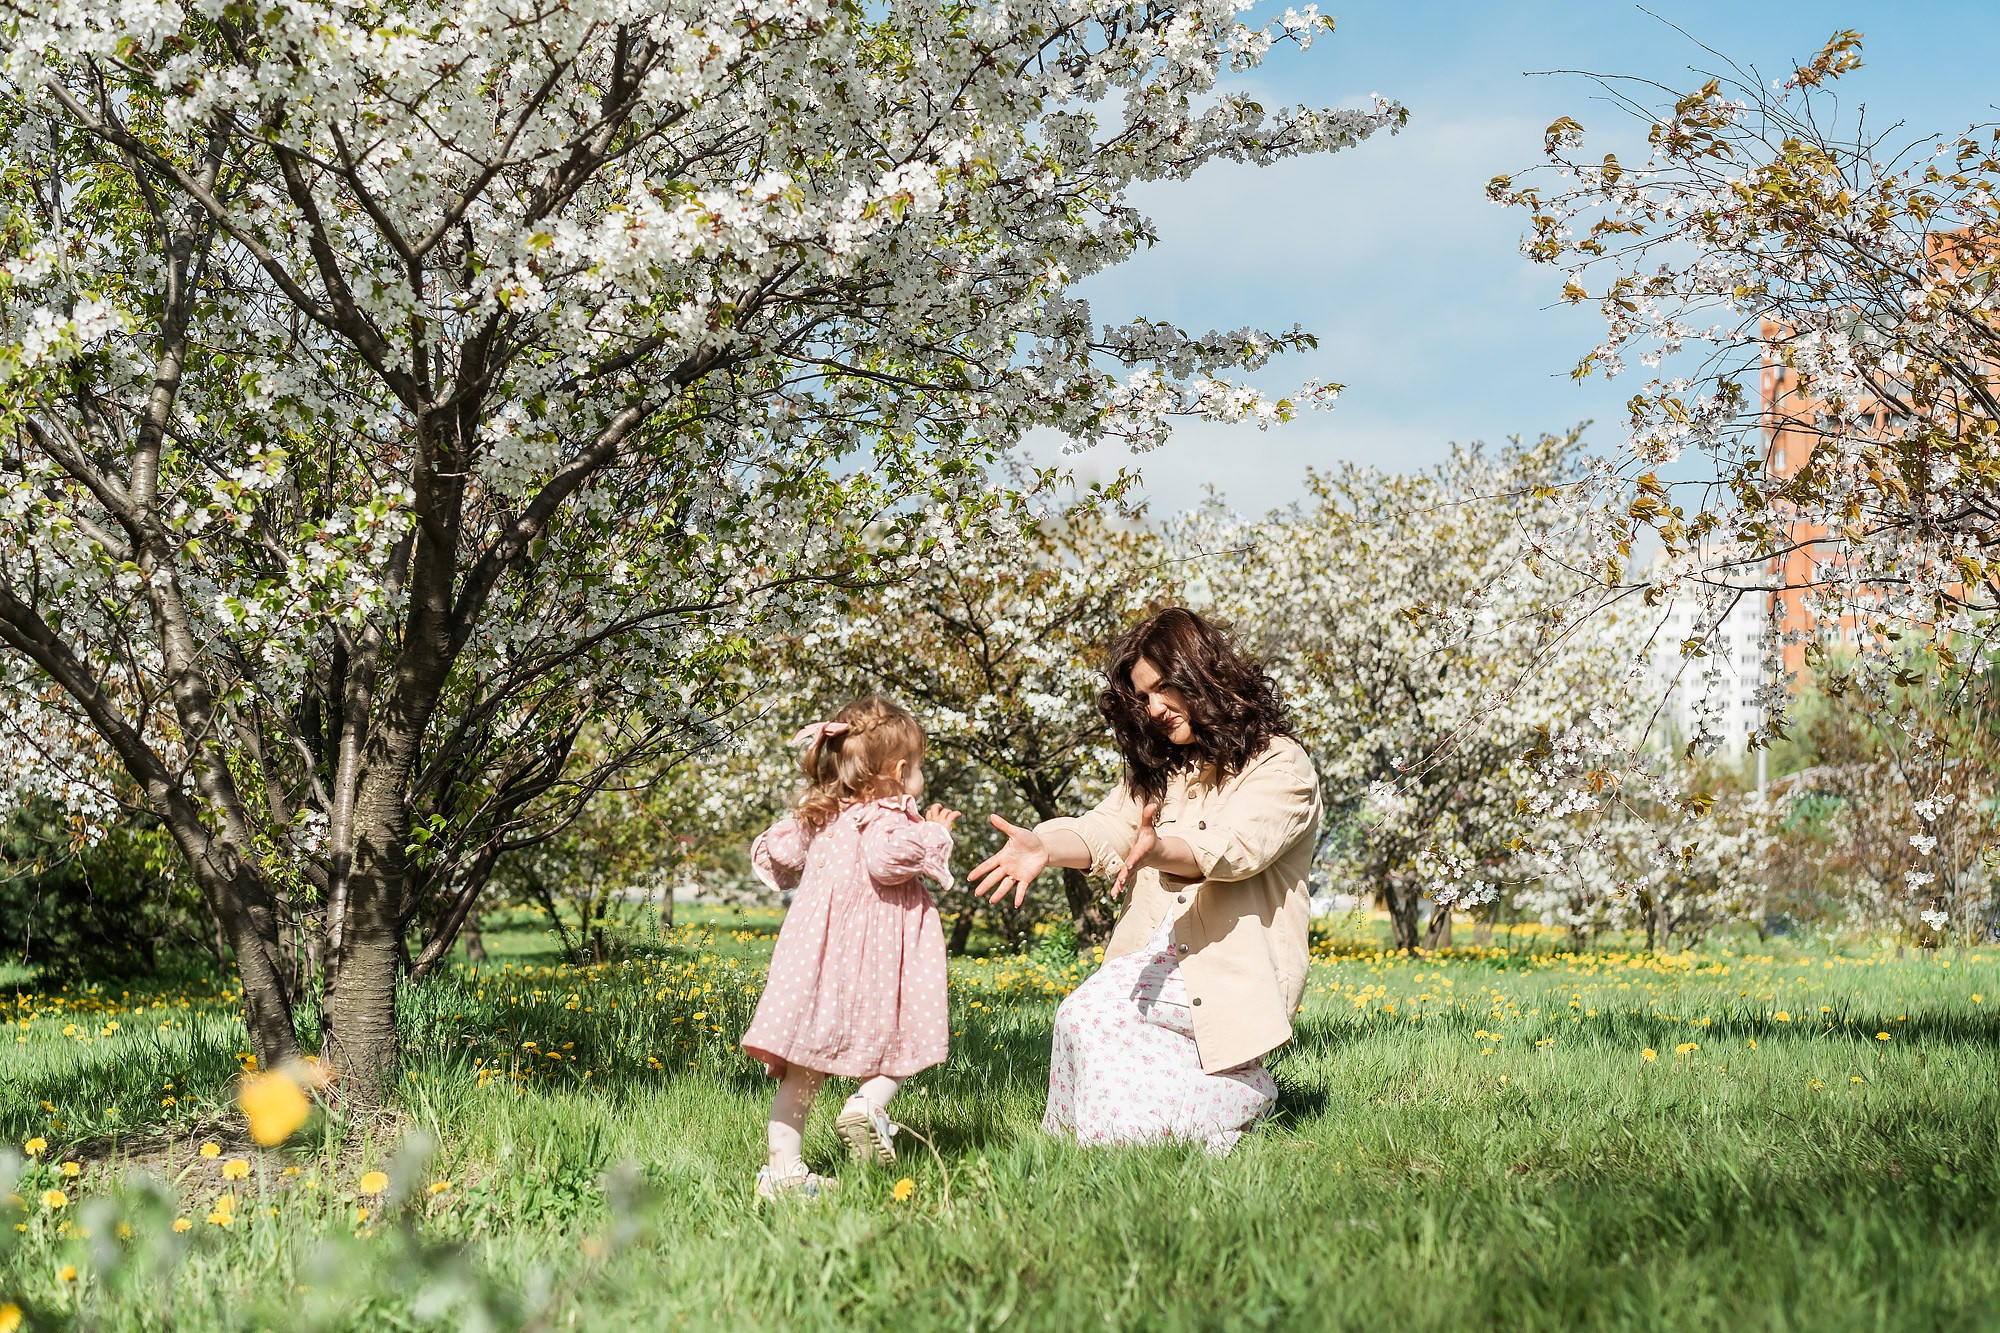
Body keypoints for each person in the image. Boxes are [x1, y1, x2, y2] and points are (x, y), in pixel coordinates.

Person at [970, 608, 1321, 1153]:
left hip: (1228, 961)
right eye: (1144, 697)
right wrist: (1045, 845)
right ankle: (1119, 1145)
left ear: (1203, 674)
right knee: (1095, 1037)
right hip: (1155, 951)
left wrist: (1159, 849)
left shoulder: (1280, 764)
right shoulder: (1165, 769)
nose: (1154, 709)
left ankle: (1239, 1098)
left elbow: (1235, 850)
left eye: (1163, 689)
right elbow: (1107, 829)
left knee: (1089, 1013)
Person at [740, 695, 961, 1199]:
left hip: (813, 967)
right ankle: (868, 1106)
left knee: (801, 1073)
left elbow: (781, 850)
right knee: (898, 1042)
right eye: (919, 766)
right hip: (877, 964)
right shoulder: (888, 817)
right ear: (900, 770)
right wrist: (932, 834)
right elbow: (886, 861)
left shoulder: (822, 816)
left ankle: (782, 1174)